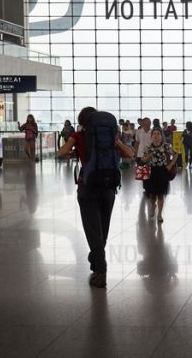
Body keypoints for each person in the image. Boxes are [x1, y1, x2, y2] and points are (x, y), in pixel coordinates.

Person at [58, 107, 134, 288]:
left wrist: (74, 151)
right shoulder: (109, 137)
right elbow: (130, 154)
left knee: (93, 231)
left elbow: (61, 152)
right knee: (102, 230)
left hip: (88, 186)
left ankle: (100, 271)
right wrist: (115, 143)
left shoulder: (78, 136)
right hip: (108, 186)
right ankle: (96, 260)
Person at [140, 127, 176, 223]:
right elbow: (143, 160)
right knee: (152, 195)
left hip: (162, 172)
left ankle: (159, 214)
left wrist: (170, 164)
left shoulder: (166, 146)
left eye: (158, 134)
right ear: (151, 136)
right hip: (151, 172)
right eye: (154, 134)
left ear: (161, 136)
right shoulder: (148, 148)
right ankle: (152, 205)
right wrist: (148, 157)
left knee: (161, 194)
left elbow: (176, 154)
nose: (156, 136)